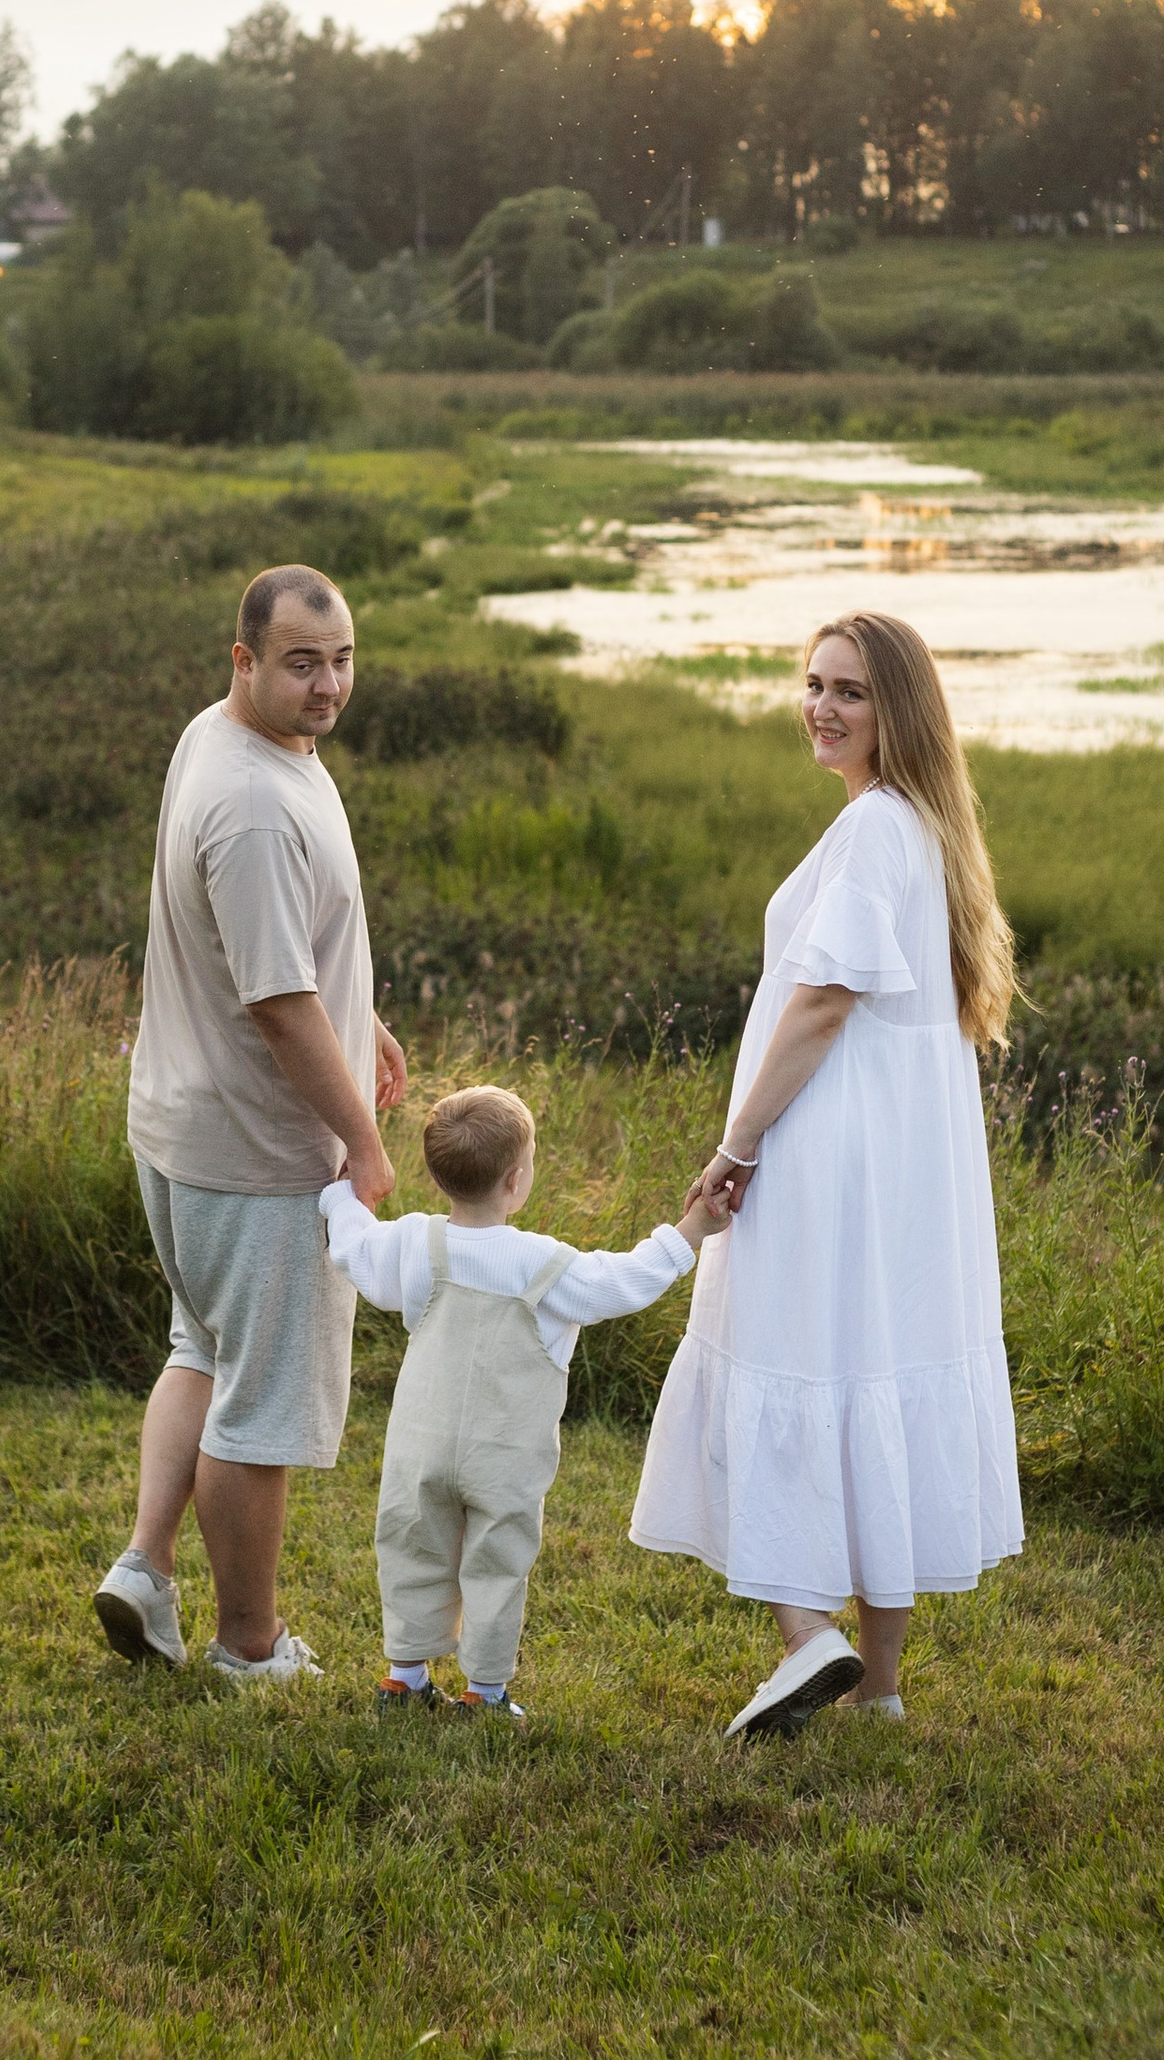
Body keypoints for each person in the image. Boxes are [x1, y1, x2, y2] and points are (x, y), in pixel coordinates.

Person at [630, 609, 1024, 1740]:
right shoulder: (918, 827)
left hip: (828, 1149)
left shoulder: (872, 833)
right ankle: (882, 1689)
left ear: (895, 708)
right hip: (896, 1168)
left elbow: (821, 1002)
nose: (821, 706)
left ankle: (810, 1639)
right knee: (873, 1375)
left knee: (785, 1355)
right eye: (812, 683)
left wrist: (736, 1143)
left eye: (848, 690)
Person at [93, 563, 408, 1684]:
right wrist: (362, 1147)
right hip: (259, 1155)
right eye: (300, 663)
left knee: (202, 1351)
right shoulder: (260, 806)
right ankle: (246, 1644)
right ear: (244, 660)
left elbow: (280, 955)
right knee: (263, 1405)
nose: (328, 686)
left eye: (343, 660)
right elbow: (276, 1005)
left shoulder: (220, 741)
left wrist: (361, 1021)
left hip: (179, 1129)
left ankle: (142, 1568)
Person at [320, 1084, 726, 1720]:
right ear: (515, 1180)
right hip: (504, 1458)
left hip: (418, 1447)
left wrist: (342, 1195)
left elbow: (353, 1247)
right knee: (497, 1563)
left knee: (411, 1545)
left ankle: (403, 1676)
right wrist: (692, 1229)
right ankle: (482, 1692)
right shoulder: (545, 1265)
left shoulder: (413, 1245)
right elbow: (624, 1280)